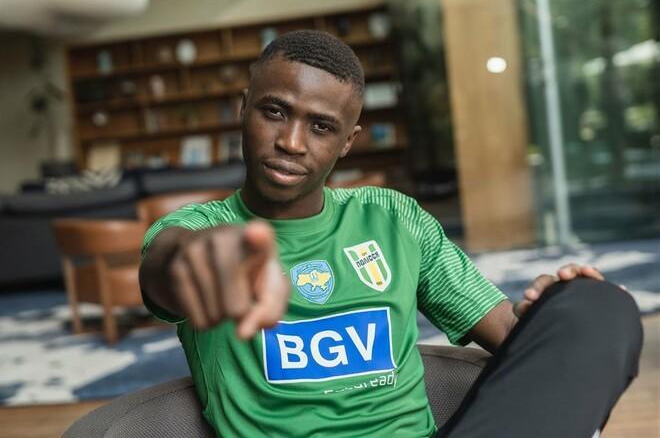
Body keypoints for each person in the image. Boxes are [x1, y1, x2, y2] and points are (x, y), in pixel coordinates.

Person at [139, 30, 643, 438]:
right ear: (243, 109)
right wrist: (199, 260)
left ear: (347, 142)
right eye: (274, 112)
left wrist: (548, 319)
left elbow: (508, 334)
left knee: (600, 307)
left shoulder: (393, 218)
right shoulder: (196, 230)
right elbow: (167, 268)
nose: (291, 142)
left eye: (321, 127)